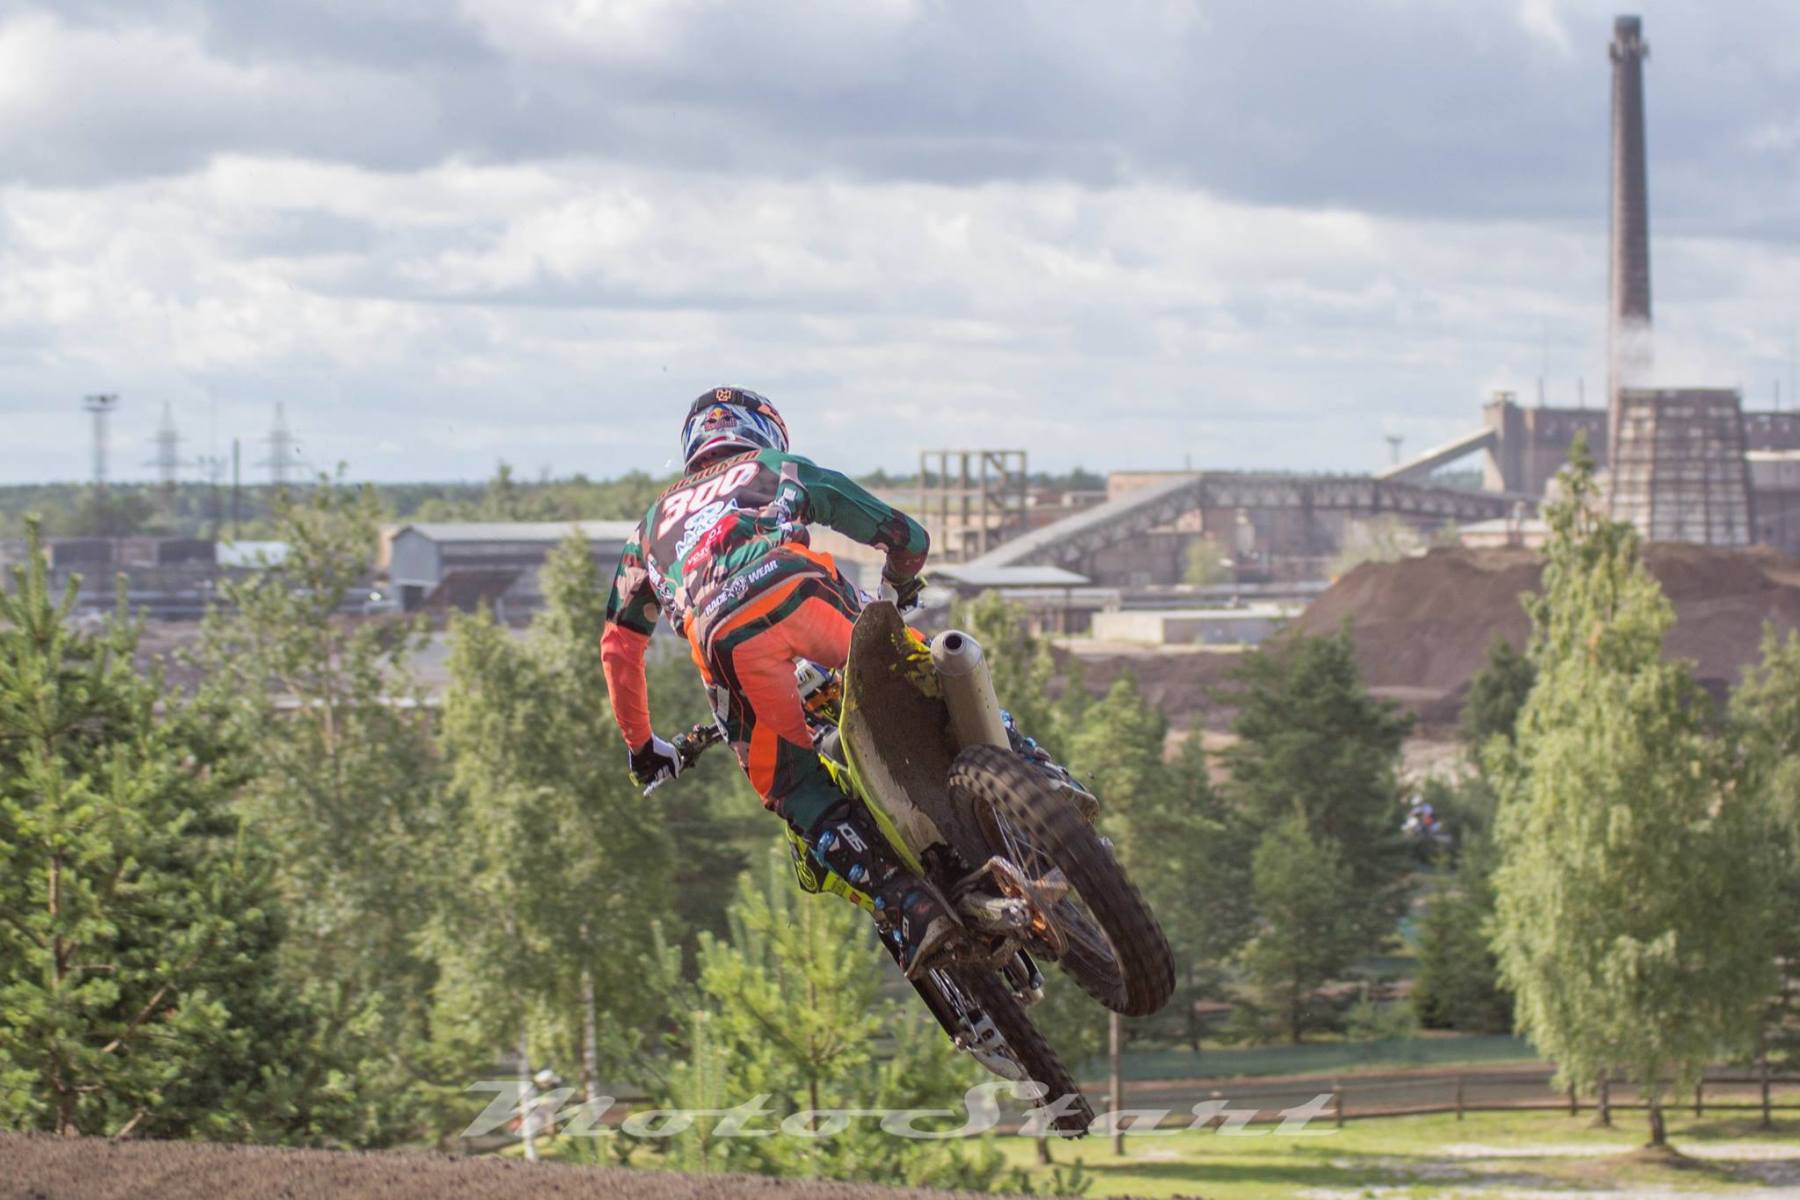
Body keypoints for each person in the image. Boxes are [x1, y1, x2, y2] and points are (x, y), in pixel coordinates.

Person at [599, 387, 957, 976]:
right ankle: (1023, 759)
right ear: (762, 428)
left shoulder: (647, 531)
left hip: (724, 639)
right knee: (922, 669)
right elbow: (903, 534)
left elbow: (619, 647)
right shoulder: (775, 467)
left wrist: (642, 747)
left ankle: (909, 905)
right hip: (800, 590)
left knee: (793, 784)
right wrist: (901, 577)